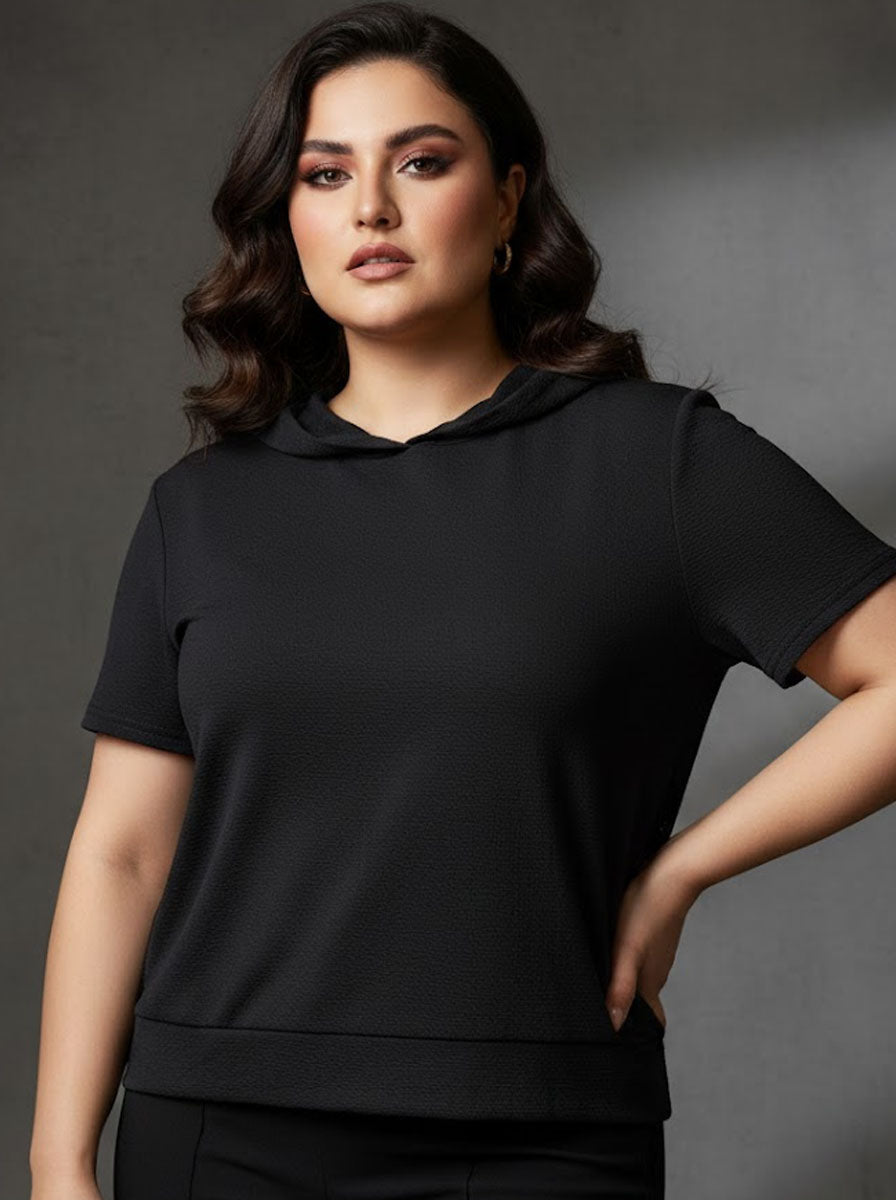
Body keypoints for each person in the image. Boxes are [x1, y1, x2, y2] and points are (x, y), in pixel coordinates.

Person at [29, 3, 896, 1199]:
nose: (369, 209)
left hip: (540, 1133)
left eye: (420, 163)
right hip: (219, 1129)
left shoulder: (656, 462)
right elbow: (123, 852)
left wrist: (680, 871)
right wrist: (59, 1157)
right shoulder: (202, 508)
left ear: (504, 203)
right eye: (325, 174)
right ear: (288, 220)